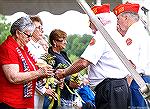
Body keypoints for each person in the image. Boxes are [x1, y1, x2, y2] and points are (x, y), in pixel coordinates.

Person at [56, 4, 131, 109]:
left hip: (110, 88)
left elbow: (83, 62)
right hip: (119, 87)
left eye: (90, 21)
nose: (89, 25)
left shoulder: (102, 37)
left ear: (98, 21)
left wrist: (64, 72)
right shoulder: (116, 35)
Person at [0, 16, 54, 109]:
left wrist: (44, 73)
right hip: (10, 103)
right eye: (28, 35)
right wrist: (39, 73)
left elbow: (32, 70)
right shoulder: (9, 47)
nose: (30, 39)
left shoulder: (23, 48)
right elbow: (13, 77)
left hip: (23, 102)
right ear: (17, 33)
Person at [113, 2, 150, 108]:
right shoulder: (142, 31)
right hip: (144, 80)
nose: (117, 23)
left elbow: (130, 64)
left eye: (118, 19)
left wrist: (126, 87)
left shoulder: (132, 32)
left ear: (125, 18)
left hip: (137, 82)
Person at [43, 29, 80, 109]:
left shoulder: (63, 54)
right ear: (54, 42)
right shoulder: (50, 56)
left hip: (70, 96)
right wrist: (67, 80)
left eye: (65, 40)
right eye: (62, 40)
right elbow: (51, 74)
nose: (65, 42)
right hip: (60, 97)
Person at [27, 15, 55, 109]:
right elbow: (29, 71)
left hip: (40, 91)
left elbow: (46, 68)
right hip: (31, 91)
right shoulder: (27, 47)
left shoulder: (40, 47)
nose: (41, 30)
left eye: (41, 28)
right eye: (38, 28)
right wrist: (43, 89)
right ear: (30, 29)